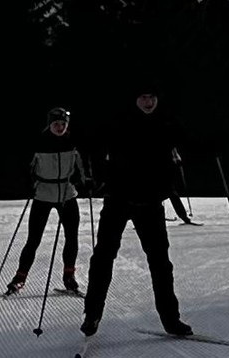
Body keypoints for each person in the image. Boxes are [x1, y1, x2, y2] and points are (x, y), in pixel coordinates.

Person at [81, 88, 192, 339]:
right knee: (103, 258)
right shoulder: (118, 122)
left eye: (152, 97)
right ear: (134, 99)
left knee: (160, 263)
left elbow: (189, 145)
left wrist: (212, 145)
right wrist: (96, 173)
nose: (148, 102)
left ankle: (171, 320)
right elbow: (94, 144)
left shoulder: (167, 123)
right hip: (117, 201)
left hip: (151, 203)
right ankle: (92, 315)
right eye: (143, 97)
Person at [5, 107, 87, 295]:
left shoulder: (73, 142)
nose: (60, 127)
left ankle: (69, 277)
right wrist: (27, 184)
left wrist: (85, 180)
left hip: (67, 194)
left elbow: (82, 164)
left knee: (72, 237)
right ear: (49, 124)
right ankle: (19, 278)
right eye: (56, 124)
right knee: (34, 239)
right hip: (43, 194)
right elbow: (26, 167)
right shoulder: (38, 142)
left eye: (63, 124)